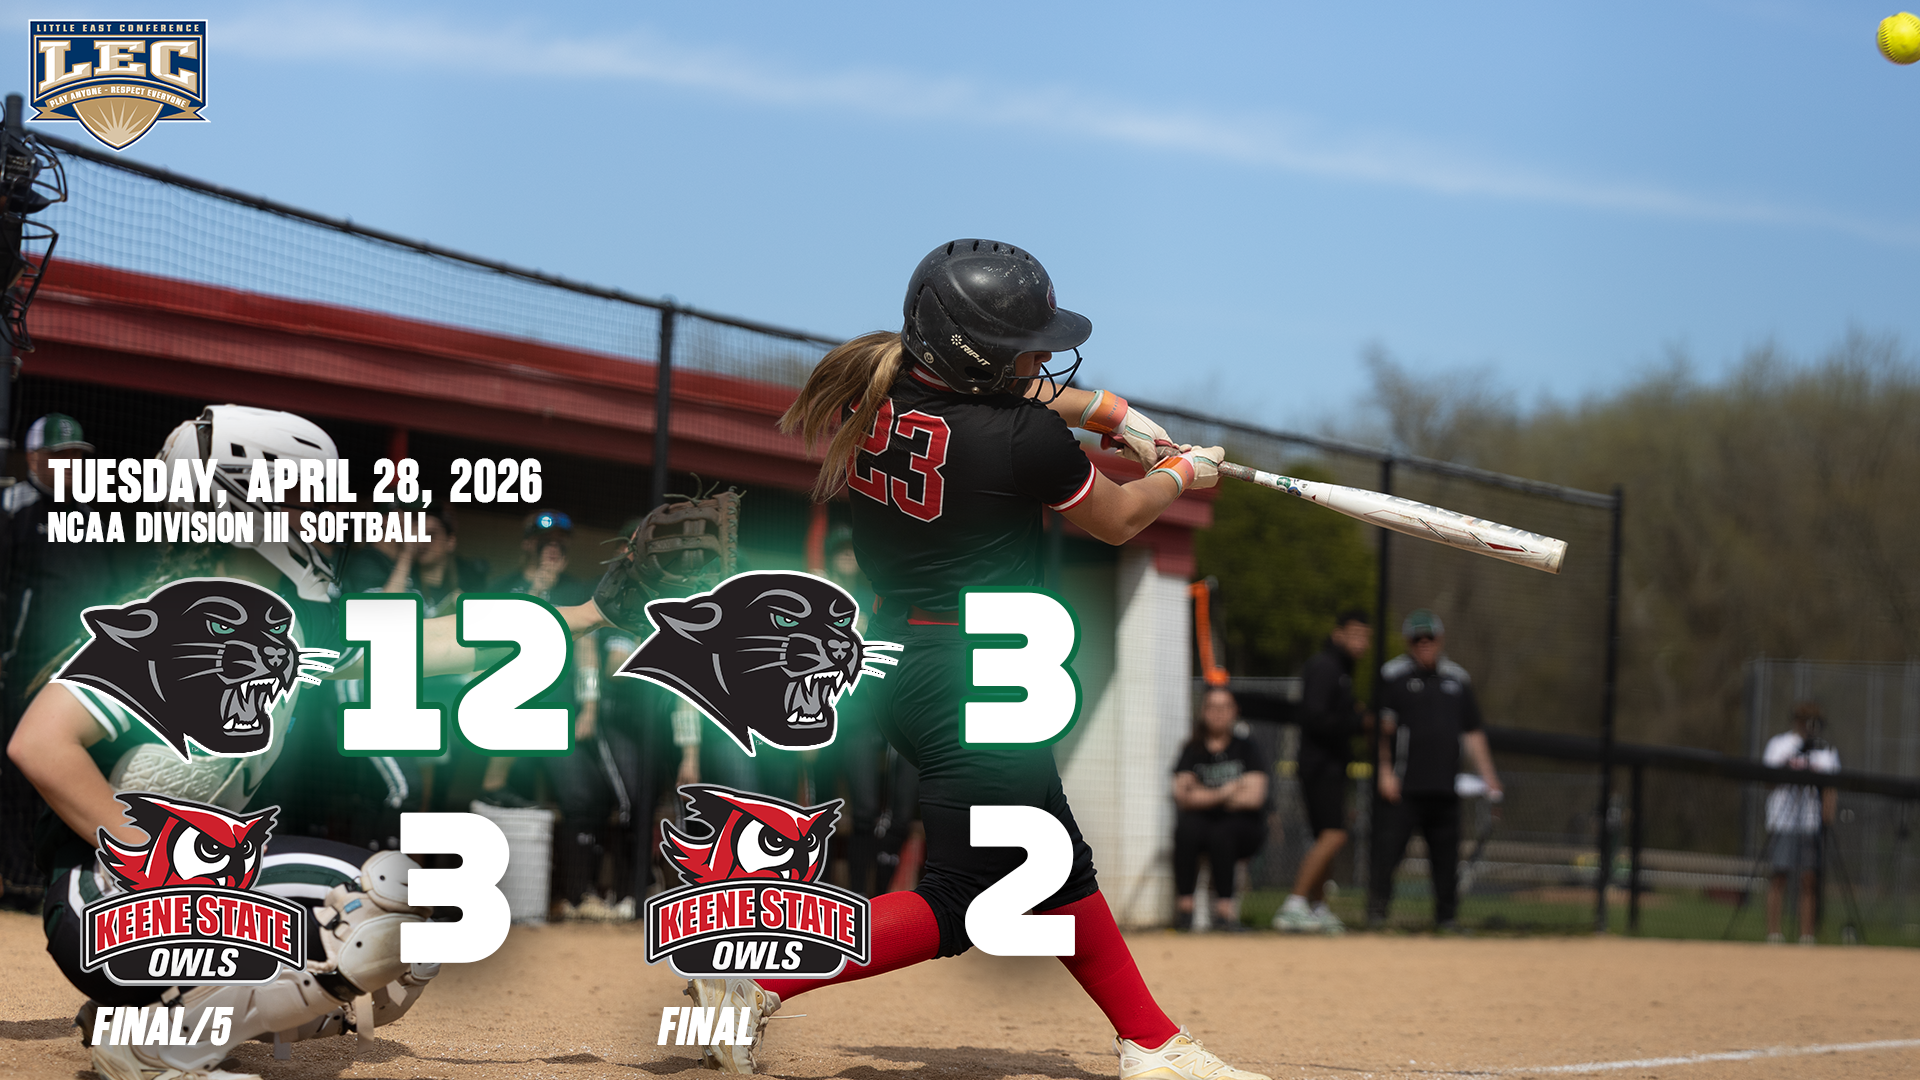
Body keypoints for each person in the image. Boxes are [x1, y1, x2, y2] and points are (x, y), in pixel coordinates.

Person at [675, 238, 1267, 1080]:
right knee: (964, 898)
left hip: (901, 664)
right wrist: (1180, 471)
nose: (1043, 356)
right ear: (979, 358)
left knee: (1052, 861)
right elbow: (1120, 518)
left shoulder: (877, 394)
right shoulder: (1023, 439)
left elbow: (1004, 398)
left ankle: (1151, 1043)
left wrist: (1109, 413)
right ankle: (758, 977)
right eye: (1027, 346)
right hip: (977, 673)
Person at [5, 405, 620, 1080]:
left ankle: (153, 1011)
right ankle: (160, 1044)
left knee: (408, 924)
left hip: (164, 903)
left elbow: (437, 642)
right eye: (301, 494)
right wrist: (160, 868)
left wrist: (596, 611)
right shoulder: (172, 615)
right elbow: (39, 743)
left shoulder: (291, 625)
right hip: (105, 906)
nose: (321, 514)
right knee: (375, 908)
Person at [0, 414, 121, 908]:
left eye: (79, 457)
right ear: (34, 459)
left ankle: (54, 880)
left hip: (81, 666)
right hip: (21, 664)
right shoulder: (14, 509)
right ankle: (14, 879)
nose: (73, 466)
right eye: (61, 457)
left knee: (77, 767)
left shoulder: (99, 517)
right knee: (15, 770)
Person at [1367, 609, 1501, 931]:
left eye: (1429, 638)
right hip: (1404, 786)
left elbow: (1473, 732)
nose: (1424, 644)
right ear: (1408, 642)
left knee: (1446, 858)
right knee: (1388, 853)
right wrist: (1384, 772)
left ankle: (1447, 918)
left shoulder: (1458, 679)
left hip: (1445, 786)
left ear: (1440, 639)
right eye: (1417, 639)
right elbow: (1381, 730)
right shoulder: (1393, 676)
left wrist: (1489, 777)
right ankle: (1376, 914)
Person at [1274, 609, 1371, 934]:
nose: (1361, 642)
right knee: (1335, 834)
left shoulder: (1342, 670)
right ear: (1338, 633)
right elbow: (1315, 716)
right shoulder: (1325, 667)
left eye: (1366, 636)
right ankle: (1294, 904)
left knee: (1324, 836)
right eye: (1355, 634)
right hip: (1320, 765)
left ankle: (1318, 908)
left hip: (1330, 764)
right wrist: (1359, 722)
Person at [1171, 687, 1271, 932]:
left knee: (1222, 834)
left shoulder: (1247, 747)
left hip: (1244, 827)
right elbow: (1182, 796)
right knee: (1186, 829)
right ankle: (1185, 911)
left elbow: (1255, 797)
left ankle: (1224, 914)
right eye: (1212, 707)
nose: (1218, 713)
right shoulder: (1192, 749)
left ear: (1234, 711)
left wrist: (1202, 794)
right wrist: (1228, 791)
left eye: (1224, 707)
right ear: (1203, 712)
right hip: (1201, 824)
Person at [1762, 701, 1839, 944]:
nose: (1809, 726)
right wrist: (1790, 762)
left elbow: (1830, 789)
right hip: (1782, 820)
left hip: (1810, 820)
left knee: (1809, 879)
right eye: (1805, 720)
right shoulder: (1779, 745)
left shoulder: (1826, 751)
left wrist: (1826, 819)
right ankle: (1774, 933)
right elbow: (1768, 781)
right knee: (1779, 875)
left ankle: (1807, 936)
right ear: (1796, 721)